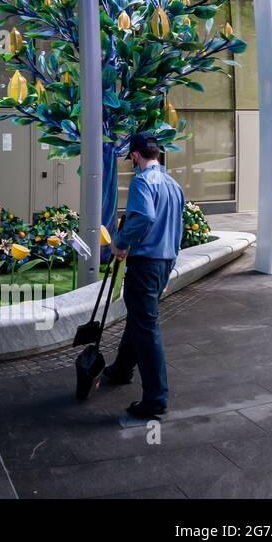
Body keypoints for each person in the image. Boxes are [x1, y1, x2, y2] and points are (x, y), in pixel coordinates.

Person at [103, 131, 186, 419]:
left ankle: (156, 398)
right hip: (164, 262)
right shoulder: (174, 185)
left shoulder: (142, 182)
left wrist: (121, 243)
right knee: (140, 318)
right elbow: (178, 229)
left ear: (136, 155)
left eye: (132, 158)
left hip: (146, 263)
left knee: (147, 328)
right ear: (158, 154)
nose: (132, 163)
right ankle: (121, 369)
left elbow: (144, 217)